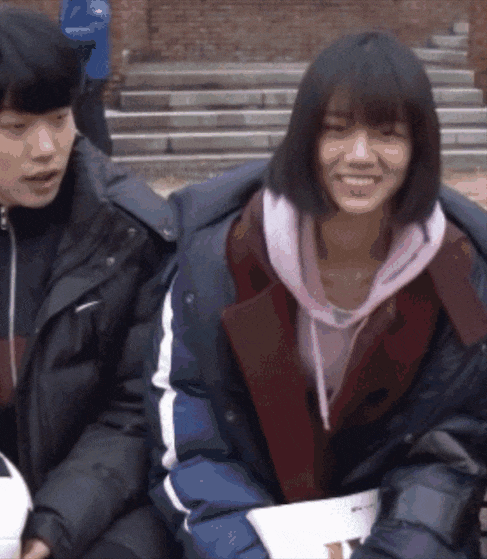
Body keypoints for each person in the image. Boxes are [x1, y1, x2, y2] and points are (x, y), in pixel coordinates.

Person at [145, 31, 487, 559]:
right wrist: (243, 550)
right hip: (251, 529)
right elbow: (193, 433)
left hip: (397, 534)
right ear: (304, 137)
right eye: (337, 130)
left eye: (388, 134)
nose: (360, 156)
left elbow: (452, 448)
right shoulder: (223, 257)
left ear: (419, 146)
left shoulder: (457, 273)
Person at [0, 6, 180, 559]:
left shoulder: (130, 236)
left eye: (60, 119)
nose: (46, 148)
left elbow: (134, 411)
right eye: (16, 129)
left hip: (106, 509)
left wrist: (52, 528)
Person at [60, 0, 113, 156]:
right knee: (81, 121)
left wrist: (59, 37)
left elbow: (96, 26)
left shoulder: (92, 3)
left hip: (91, 72)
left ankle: (101, 159)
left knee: (91, 119)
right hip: (82, 71)